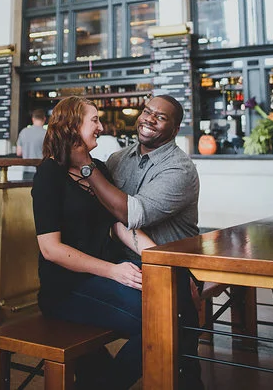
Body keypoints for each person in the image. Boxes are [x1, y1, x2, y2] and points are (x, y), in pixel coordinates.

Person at [77, 94, 204, 390]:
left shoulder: (179, 169)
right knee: (76, 306)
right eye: (147, 111)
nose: (148, 119)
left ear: (175, 129)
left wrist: (86, 165)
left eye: (160, 117)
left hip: (169, 267)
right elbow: (98, 211)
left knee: (170, 329)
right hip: (123, 264)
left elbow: (129, 213)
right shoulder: (119, 159)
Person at [32, 96, 155, 390]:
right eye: (95, 120)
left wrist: (161, 258)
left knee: (171, 299)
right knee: (154, 317)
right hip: (66, 288)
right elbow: (51, 249)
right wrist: (113, 271)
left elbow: (121, 226)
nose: (101, 126)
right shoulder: (49, 173)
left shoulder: (97, 167)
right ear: (73, 126)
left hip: (103, 275)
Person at [17, 109, 47, 180]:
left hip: (27, 170)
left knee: (26, 191)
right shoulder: (47, 134)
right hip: (43, 170)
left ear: (33, 119)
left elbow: (19, 153)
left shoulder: (23, 132)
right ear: (44, 119)